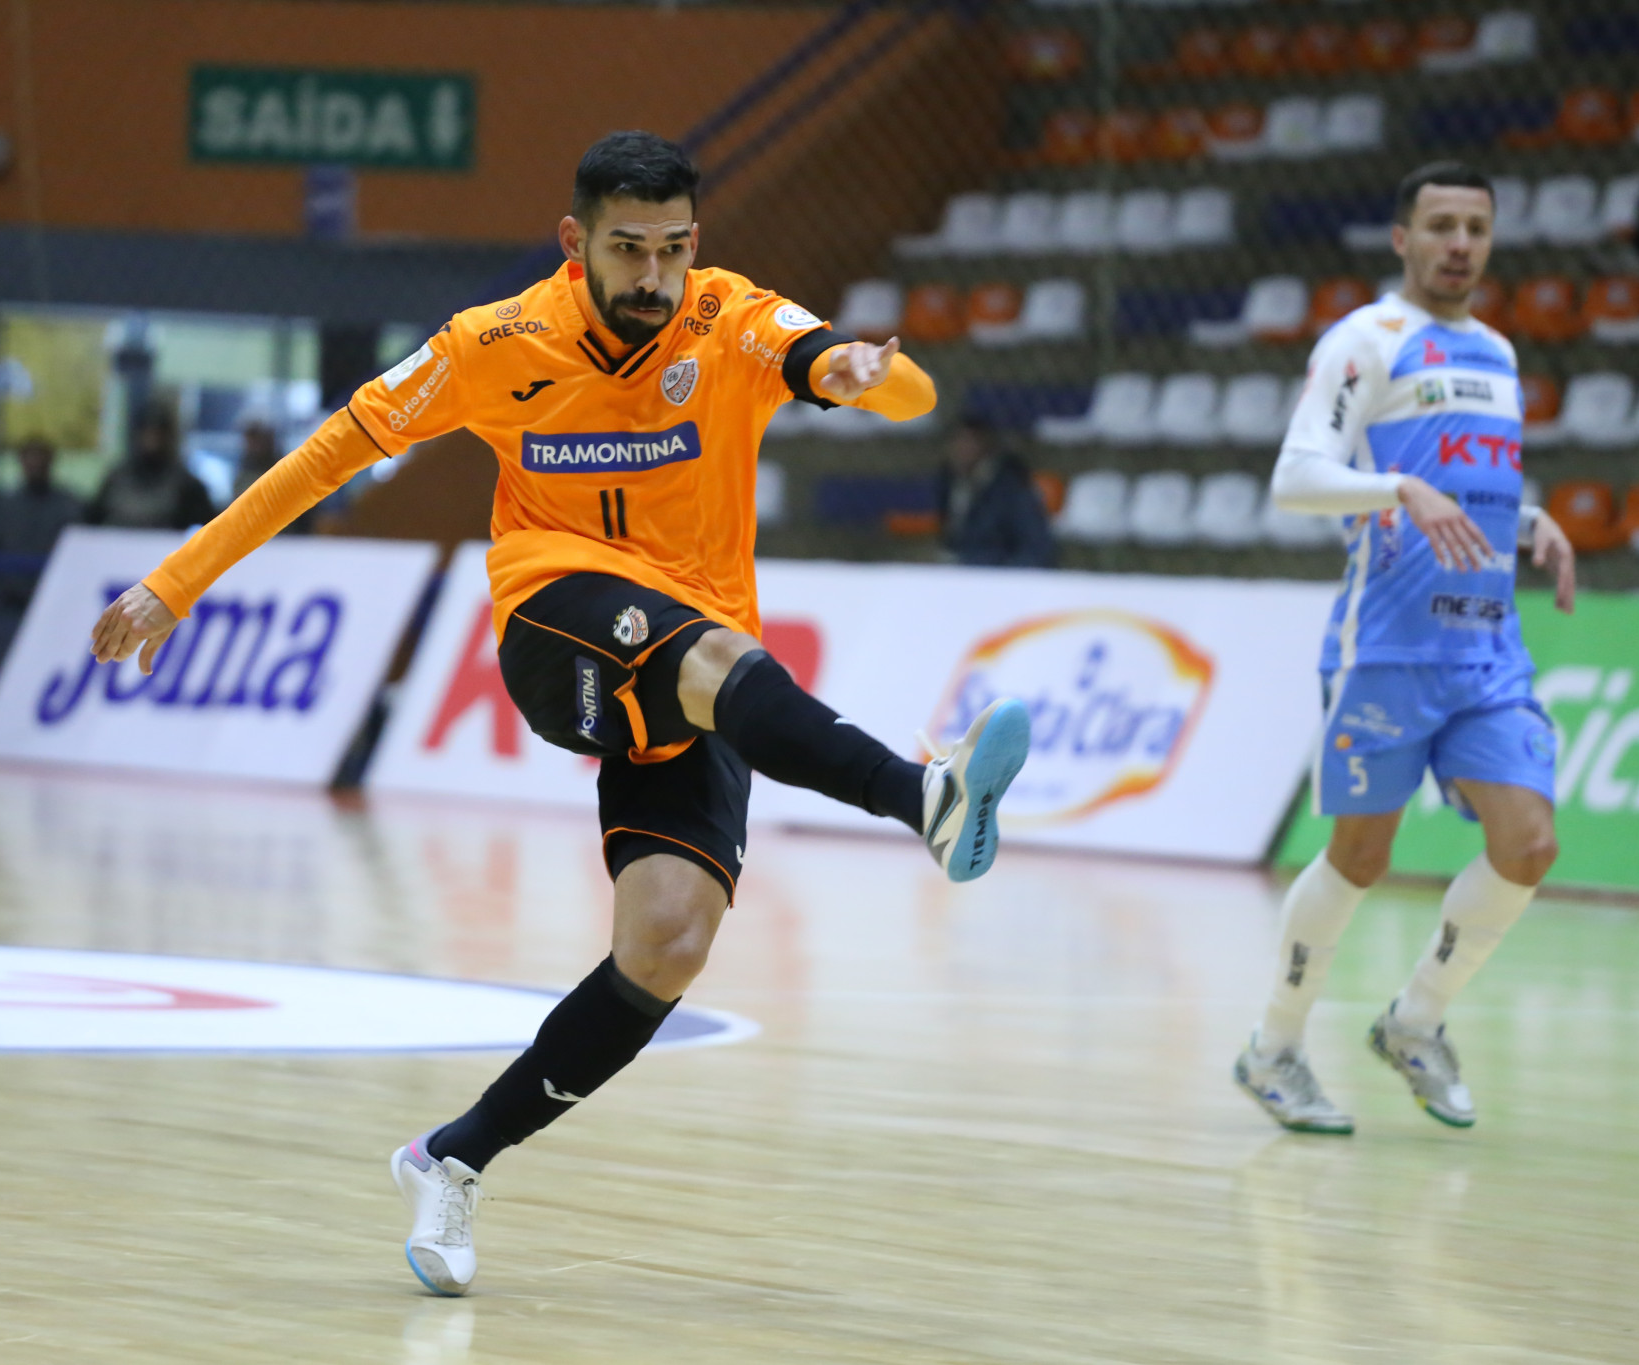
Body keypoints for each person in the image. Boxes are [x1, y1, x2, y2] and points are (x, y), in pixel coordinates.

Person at [88, 131, 1033, 1295]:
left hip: (694, 664)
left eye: (673, 249)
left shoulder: (726, 318)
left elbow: (899, 384)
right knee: (709, 658)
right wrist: (175, 581)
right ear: (573, 241)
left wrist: (860, 378)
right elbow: (333, 452)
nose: (652, 276)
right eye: (628, 250)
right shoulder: (492, 345)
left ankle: (450, 1160)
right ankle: (919, 798)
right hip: (557, 625)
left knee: (667, 942)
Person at [1234, 162, 1576, 1135]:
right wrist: (1393, 493)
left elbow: (1462, 482)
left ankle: (1414, 1022)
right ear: (1402, 240)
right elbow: (1296, 476)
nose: (1458, 244)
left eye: (1474, 226)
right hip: (1382, 645)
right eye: (1439, 226)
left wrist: (1529, 521)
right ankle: (1273, 1050)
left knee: (1529, 844)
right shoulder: (1364, 341)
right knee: (1358, 857)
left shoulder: (1499, 354)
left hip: (1484, 649)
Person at [936, 416, 1056, 567]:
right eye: (957, 441)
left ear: (985, 445)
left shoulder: (1012, 488)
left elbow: (1036, 548)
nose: (961, 448)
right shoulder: (950, 483)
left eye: (969, 441)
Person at [85, 399, 216, 530]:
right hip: (116, 547)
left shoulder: (185, 484)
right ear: (136, 435)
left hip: (167, 549)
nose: (151, 442)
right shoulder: (116, 479)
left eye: (157, 434)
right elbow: (91, 523)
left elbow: (210, 527)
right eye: (146, 434)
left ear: (168, 437)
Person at [0, 436, 82, 559]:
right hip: (11, 574)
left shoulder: (70, 505)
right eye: (31, 461)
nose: (36, 465)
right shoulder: (4, 506)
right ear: (21, 461)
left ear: (50, 461)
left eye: (40, 461)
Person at [228, 420, 310, 535]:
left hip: (283, 536)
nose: (254, 446)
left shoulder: (285, 470)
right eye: (250, 441)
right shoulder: (243, 469)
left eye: (258, 440)